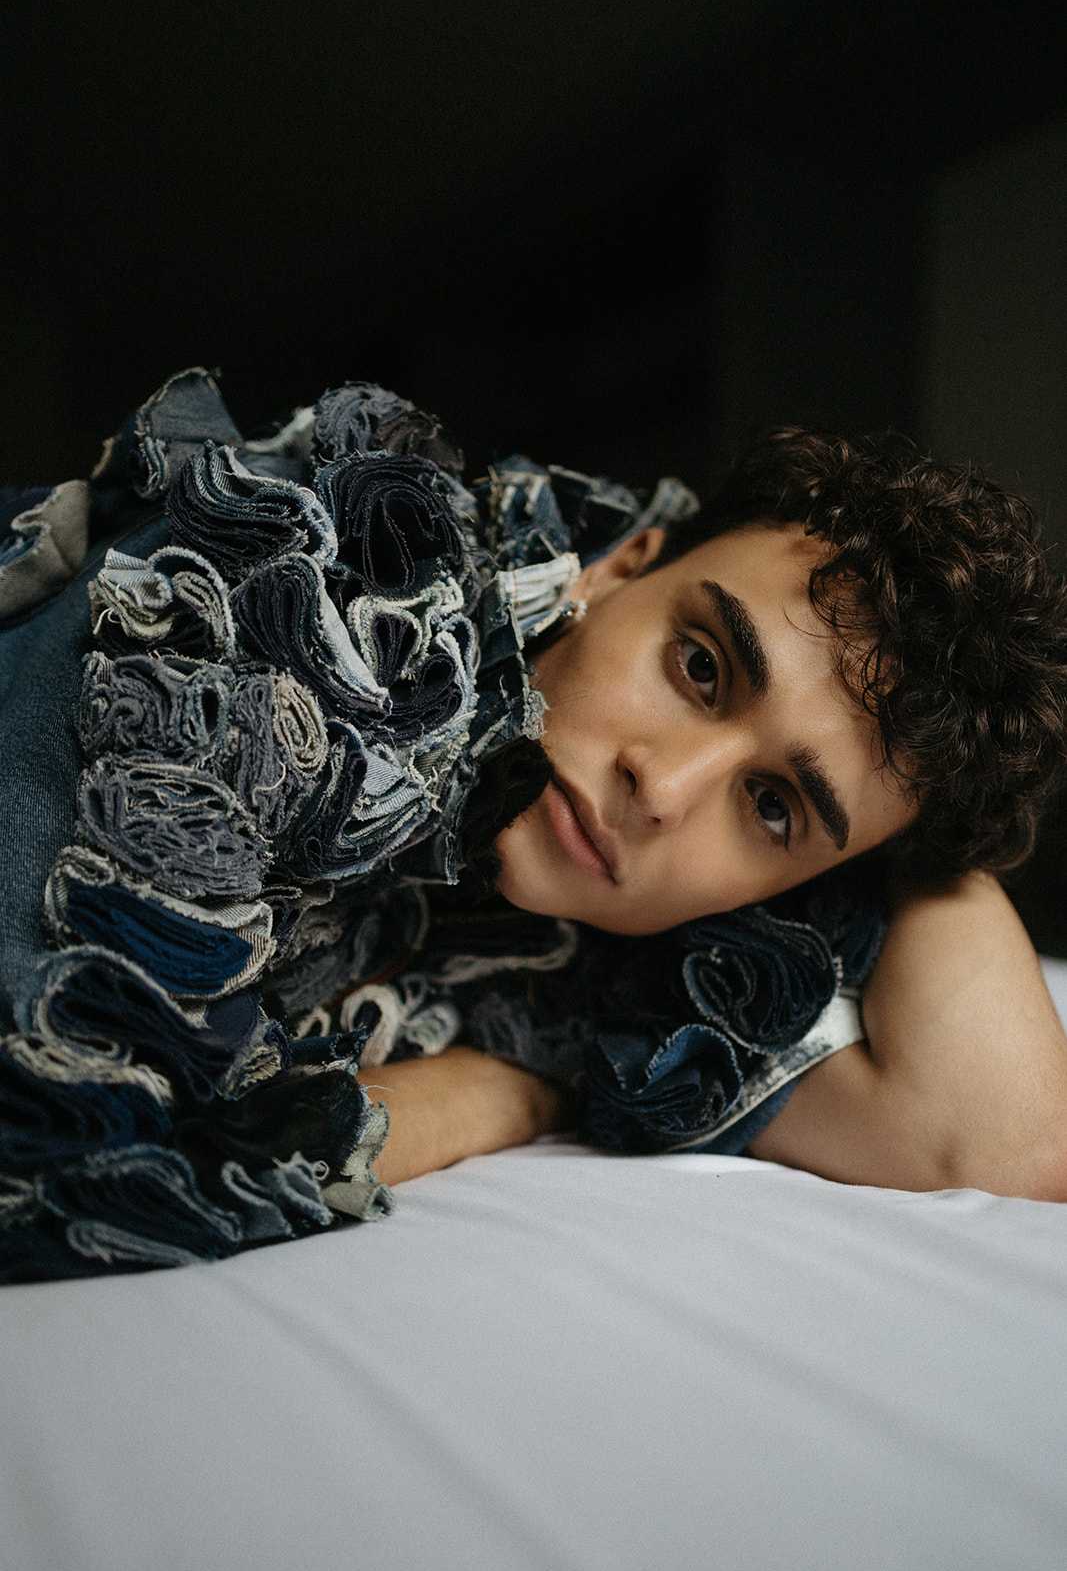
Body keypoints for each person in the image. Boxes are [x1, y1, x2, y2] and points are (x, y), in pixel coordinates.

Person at [2, 371, 1067, 1282]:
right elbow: (61, 1130)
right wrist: (495, 1095)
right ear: (617, 568)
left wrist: (934, 825)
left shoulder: (595, 963)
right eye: (699, 666)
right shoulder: (283, 601)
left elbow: (1003, 1147)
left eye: (773, 805)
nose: (664, 789)